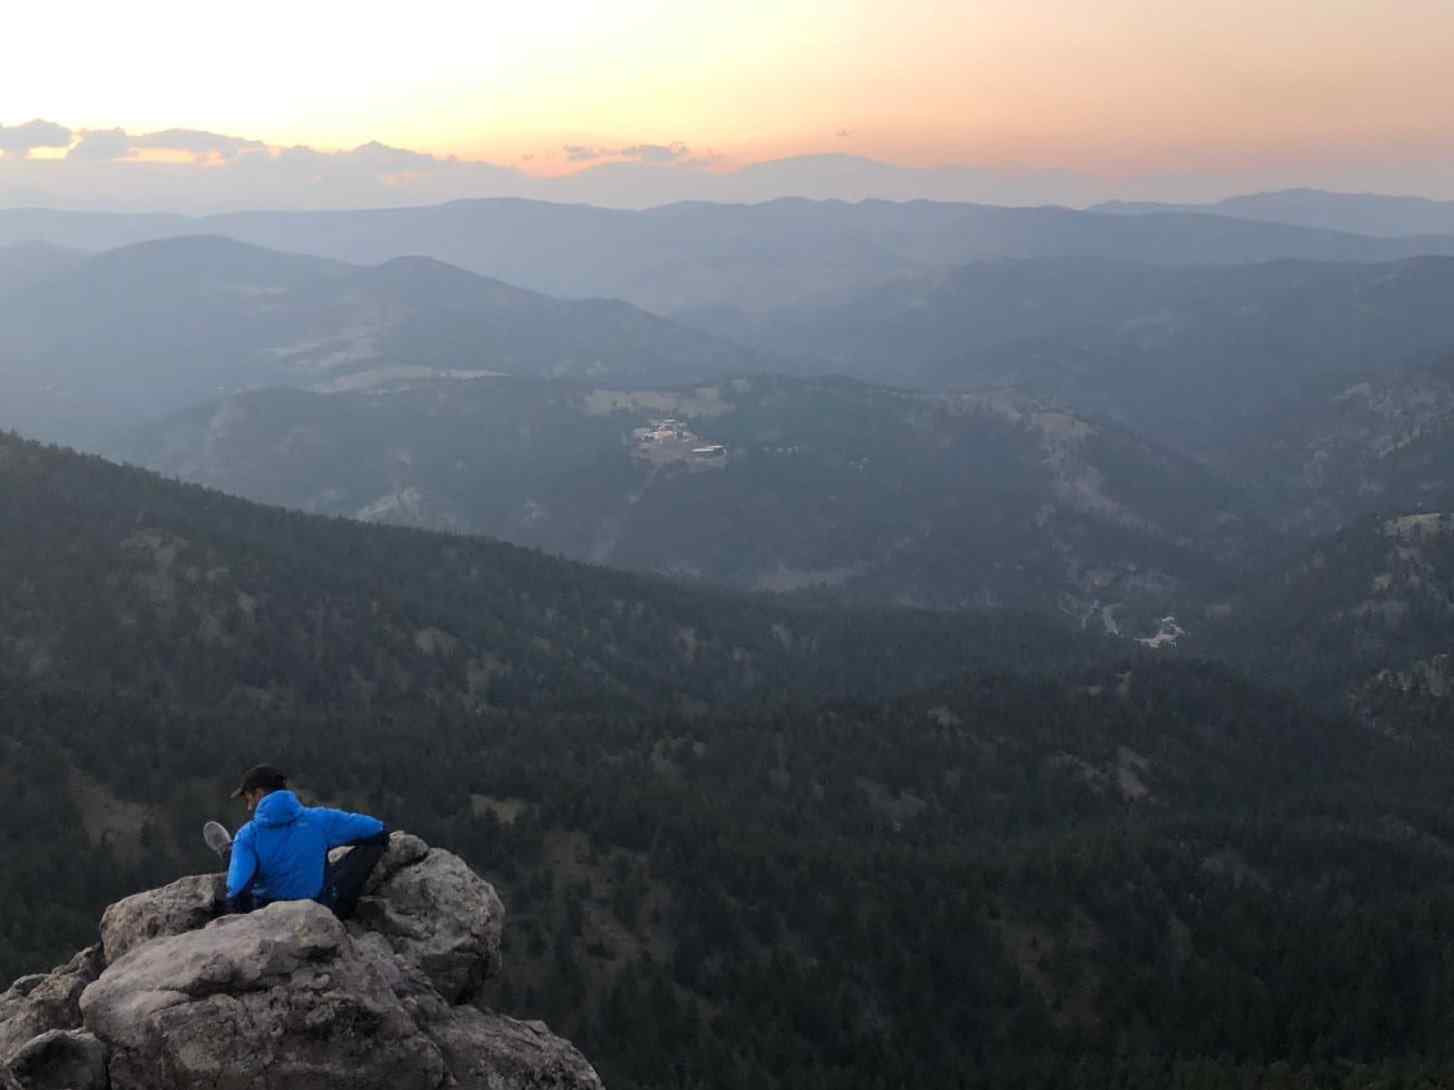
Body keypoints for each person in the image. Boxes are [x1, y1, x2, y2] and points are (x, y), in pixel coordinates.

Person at [213, 764, 391, 919]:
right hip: (319, 911)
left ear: (258, 794)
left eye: (248, 799)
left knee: (240, 862)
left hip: (268, 916)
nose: (249, 806)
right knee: (372, 846)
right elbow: (378, 829)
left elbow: (236, 891)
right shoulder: (320, 820)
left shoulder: (248, 834)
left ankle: (229, 852)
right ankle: (230, 852)